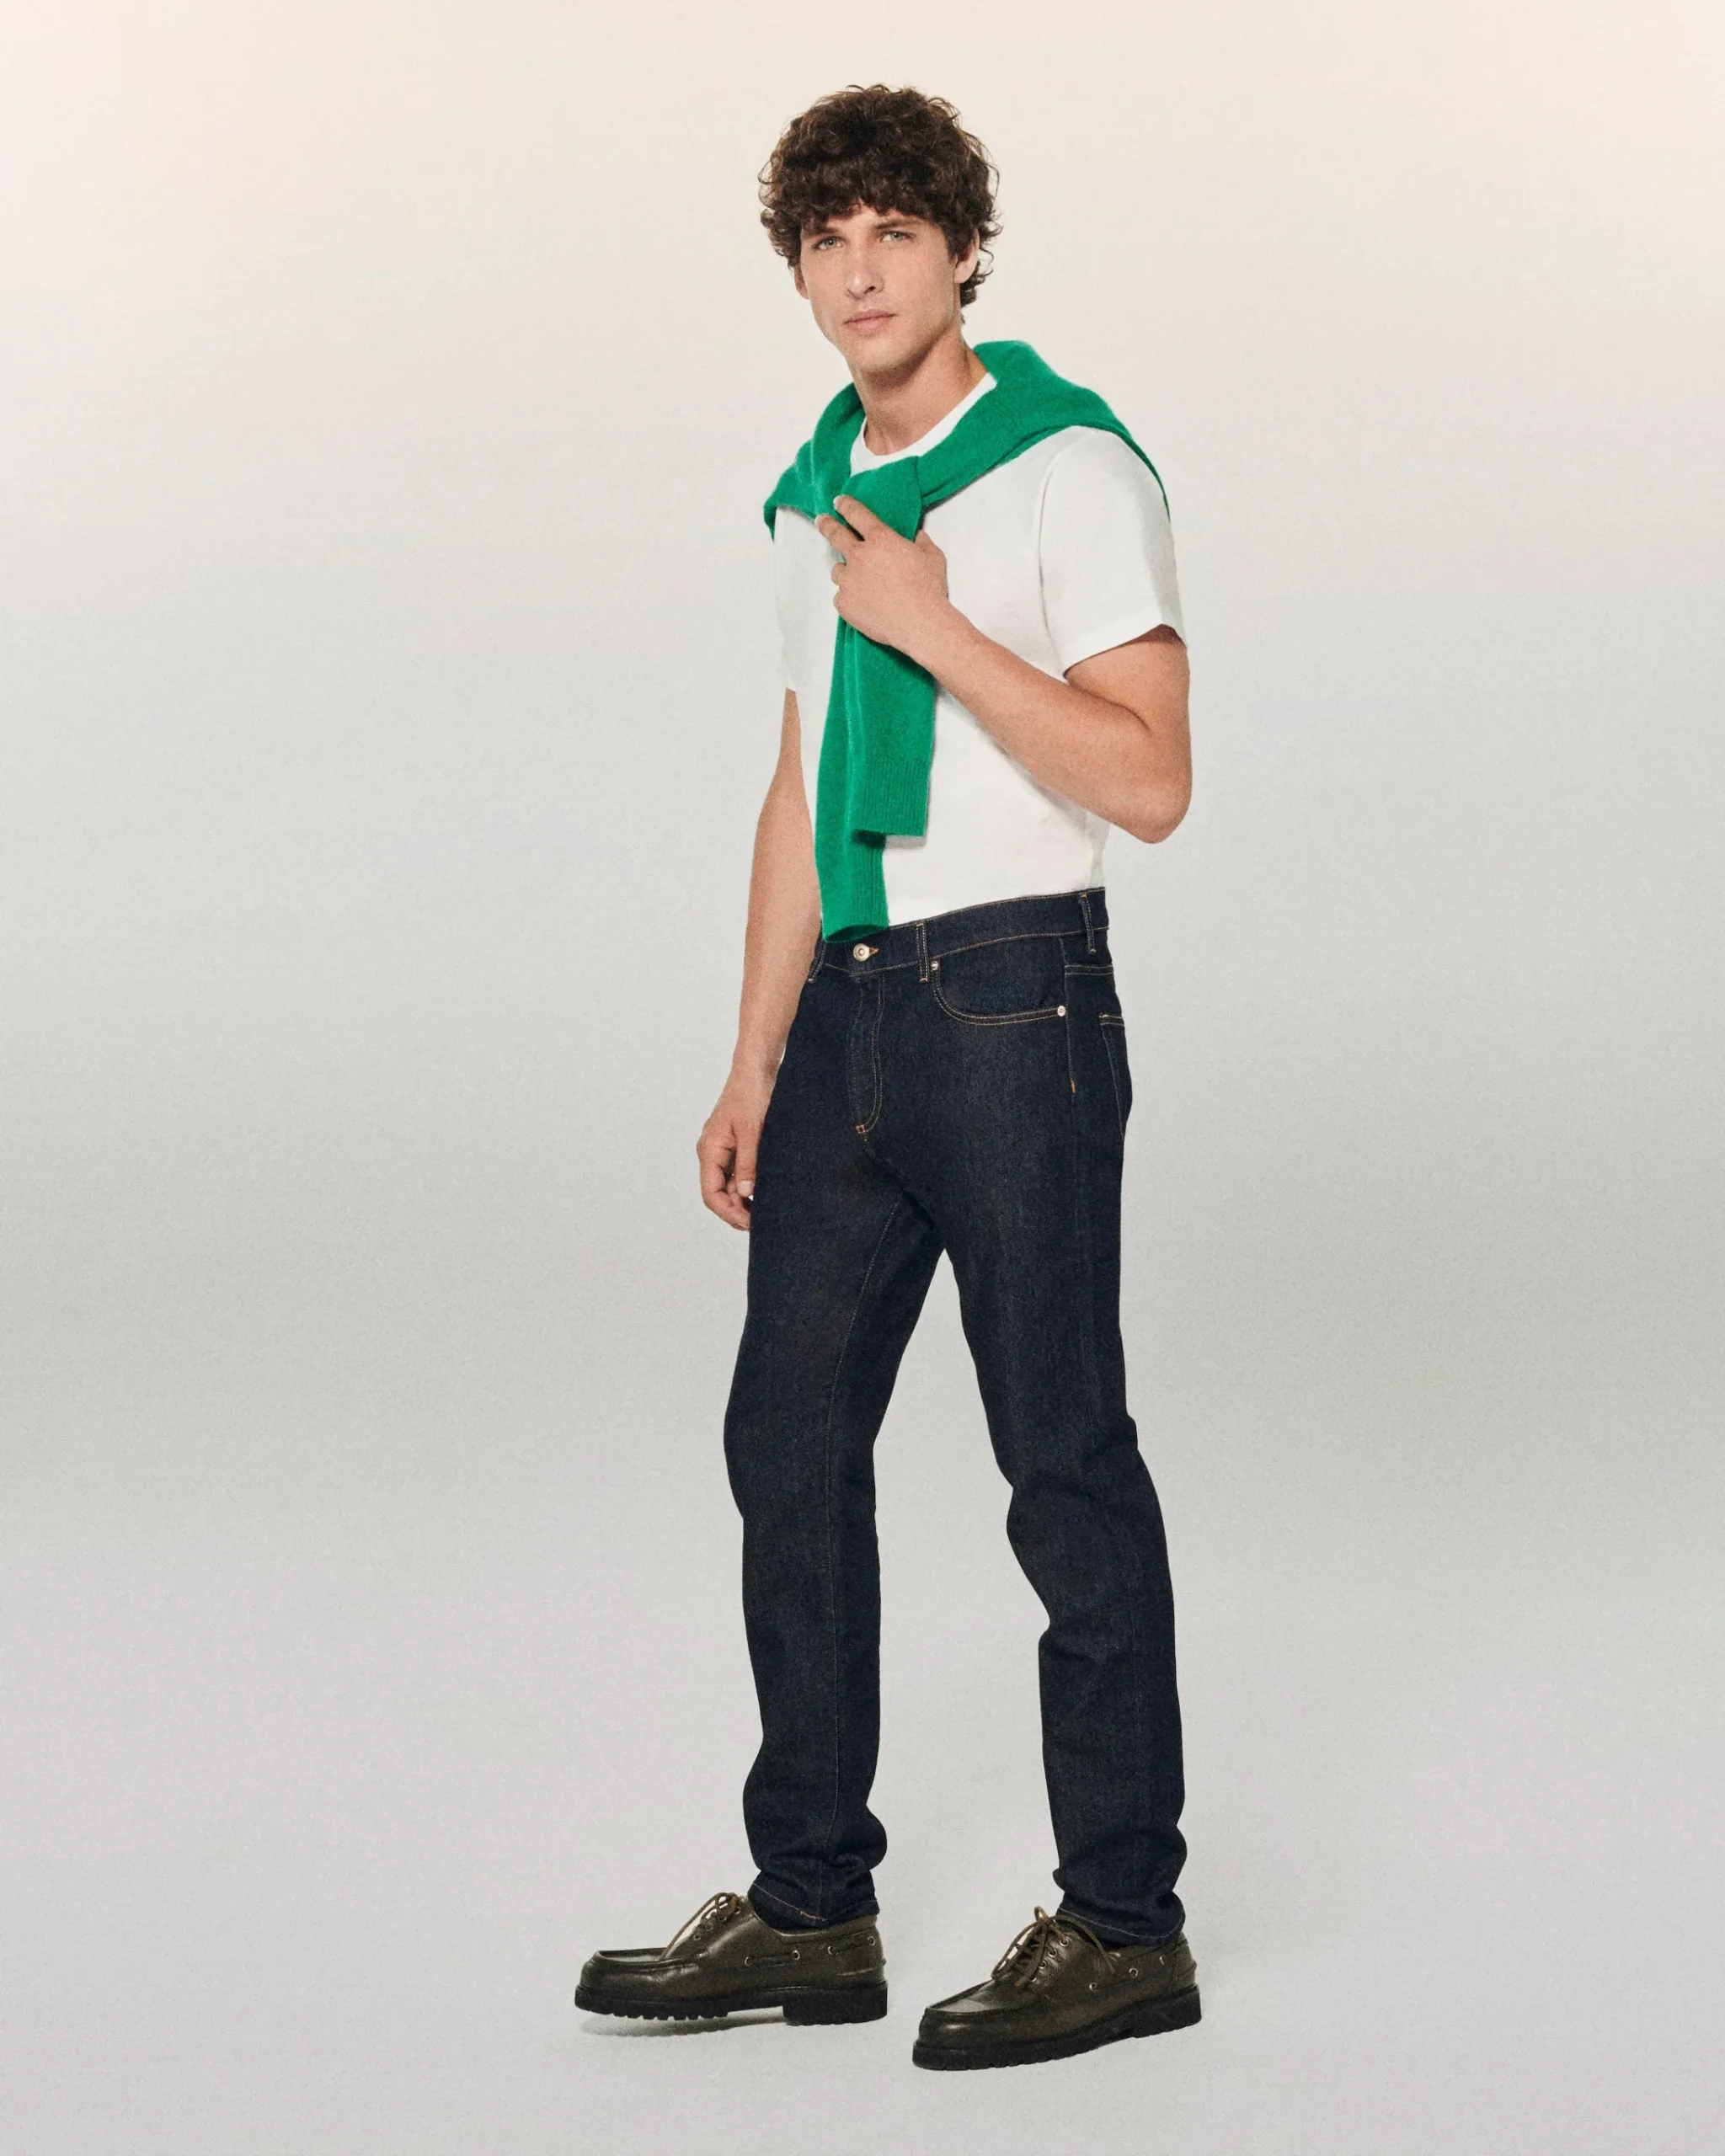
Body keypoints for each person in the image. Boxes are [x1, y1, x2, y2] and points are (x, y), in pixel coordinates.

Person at [576, 83, 1199, 2072]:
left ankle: (1126, 1925)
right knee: (784, 1442)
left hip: (1014, 1000)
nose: (857, 274)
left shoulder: (1069, 463)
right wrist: (752, 1053)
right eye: (823, 241)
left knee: (1061, 1460)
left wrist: (934, 628)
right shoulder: (805, 495)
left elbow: (1150, 780)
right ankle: (810, 1905)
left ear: (961, 252)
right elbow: (794, 783)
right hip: (844, 1011)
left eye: (892, 235)